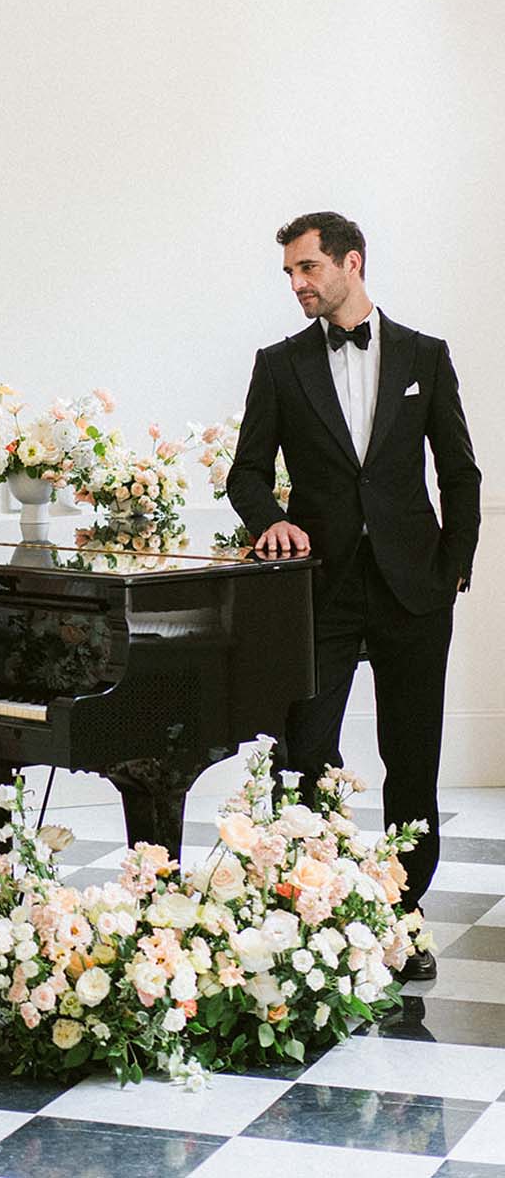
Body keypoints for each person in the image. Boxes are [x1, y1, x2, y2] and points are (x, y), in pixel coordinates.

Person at [228, 211, 480, 978]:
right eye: (290, 273)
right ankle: (320, 908)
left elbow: (460, 470)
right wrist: (271, 520)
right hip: (322, 588)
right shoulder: (279, 364)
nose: (298, 284)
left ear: (351, 262)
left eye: (308, 268)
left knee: (412, 760)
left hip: (413, 591)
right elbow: (246, 472)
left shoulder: (423, 356)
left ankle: (404, 918)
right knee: (303, 753)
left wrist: (453, 567)